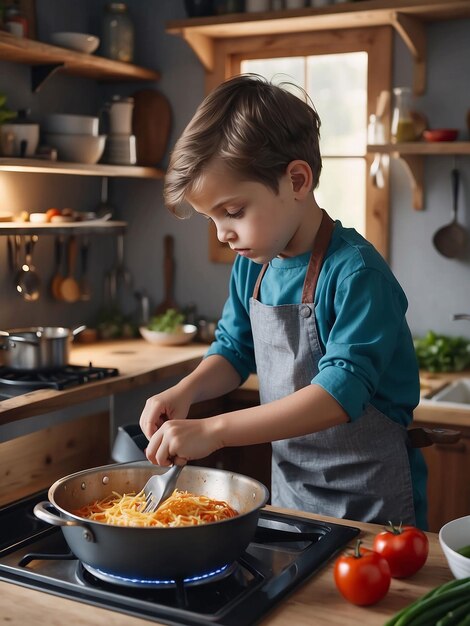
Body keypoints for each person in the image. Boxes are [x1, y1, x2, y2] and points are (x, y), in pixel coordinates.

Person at [139, 74, 427, 529]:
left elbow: (337, 395)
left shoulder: (357, 274)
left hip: (372, 502)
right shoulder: (253, 266)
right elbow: (234, 352)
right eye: (211, 218)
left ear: (296, 179)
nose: (222, 233)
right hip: (292, 497)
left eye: (233, 212)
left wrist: (214, 432)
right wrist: (185, 391)